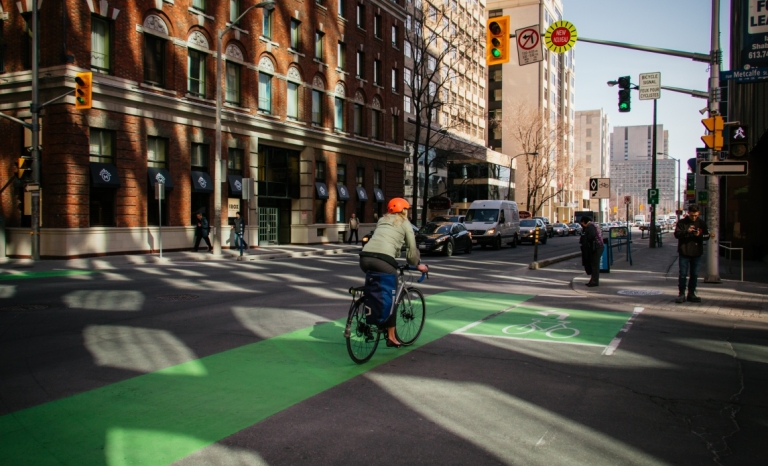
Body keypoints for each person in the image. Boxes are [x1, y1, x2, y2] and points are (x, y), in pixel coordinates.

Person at [359, 197, 428, 348]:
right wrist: (417, 265)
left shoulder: (381, 221)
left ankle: (369, 314)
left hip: (364, 258)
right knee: (391, 296)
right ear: (404, 210)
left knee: (375, 287)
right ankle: (391, 337)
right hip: (383, 261)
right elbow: (411, 249)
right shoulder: (404, 223)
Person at [673, 205, 711, 303]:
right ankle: (681, 293)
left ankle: (692, 293)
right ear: (688, 213)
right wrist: (687, 231)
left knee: (694, 274)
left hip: (696, 252)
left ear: (699, 214)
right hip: (684, 251)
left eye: (696, 215)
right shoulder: (682, 223)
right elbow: (677, 234)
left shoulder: (701, 223)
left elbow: (707, 236)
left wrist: (699, 235)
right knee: (683, 274)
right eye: (692, 215)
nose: (694, 217)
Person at [579, 216, 604, 287]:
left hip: (597, 247)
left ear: (584, 221)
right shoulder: (593, 225)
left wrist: (586, 239)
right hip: (598, 246)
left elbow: (591, 236)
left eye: (582, 223)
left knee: (594, 265)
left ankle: (595, 281)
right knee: (594, 264)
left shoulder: (590, 226)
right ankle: (593, 280)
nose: (582, 225)